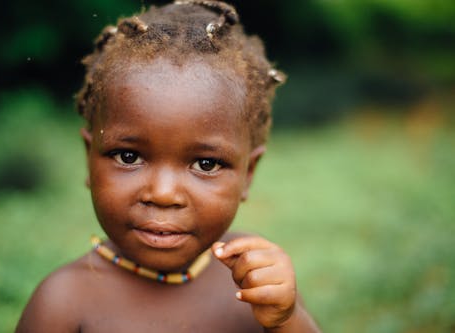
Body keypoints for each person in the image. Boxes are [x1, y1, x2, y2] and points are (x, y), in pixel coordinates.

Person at [16, 1, 320, 332]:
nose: (162, 194)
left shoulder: (254, 279)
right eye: (128, 157)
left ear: (248, 174)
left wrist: (287, 320)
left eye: (206, 163)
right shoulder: (62, 302)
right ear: (89, 158)